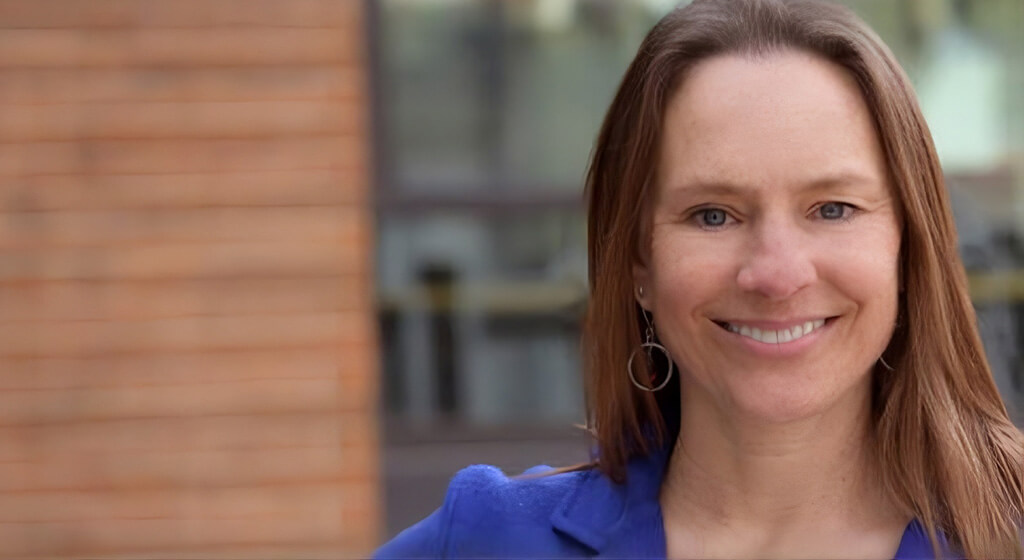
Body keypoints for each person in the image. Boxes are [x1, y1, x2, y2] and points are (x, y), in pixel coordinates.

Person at [375, 0, 1024, 557]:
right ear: (638, 265)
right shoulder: (492, 541)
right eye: (712, 214)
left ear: (907, 249)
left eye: (832, 209)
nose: (776, 274)